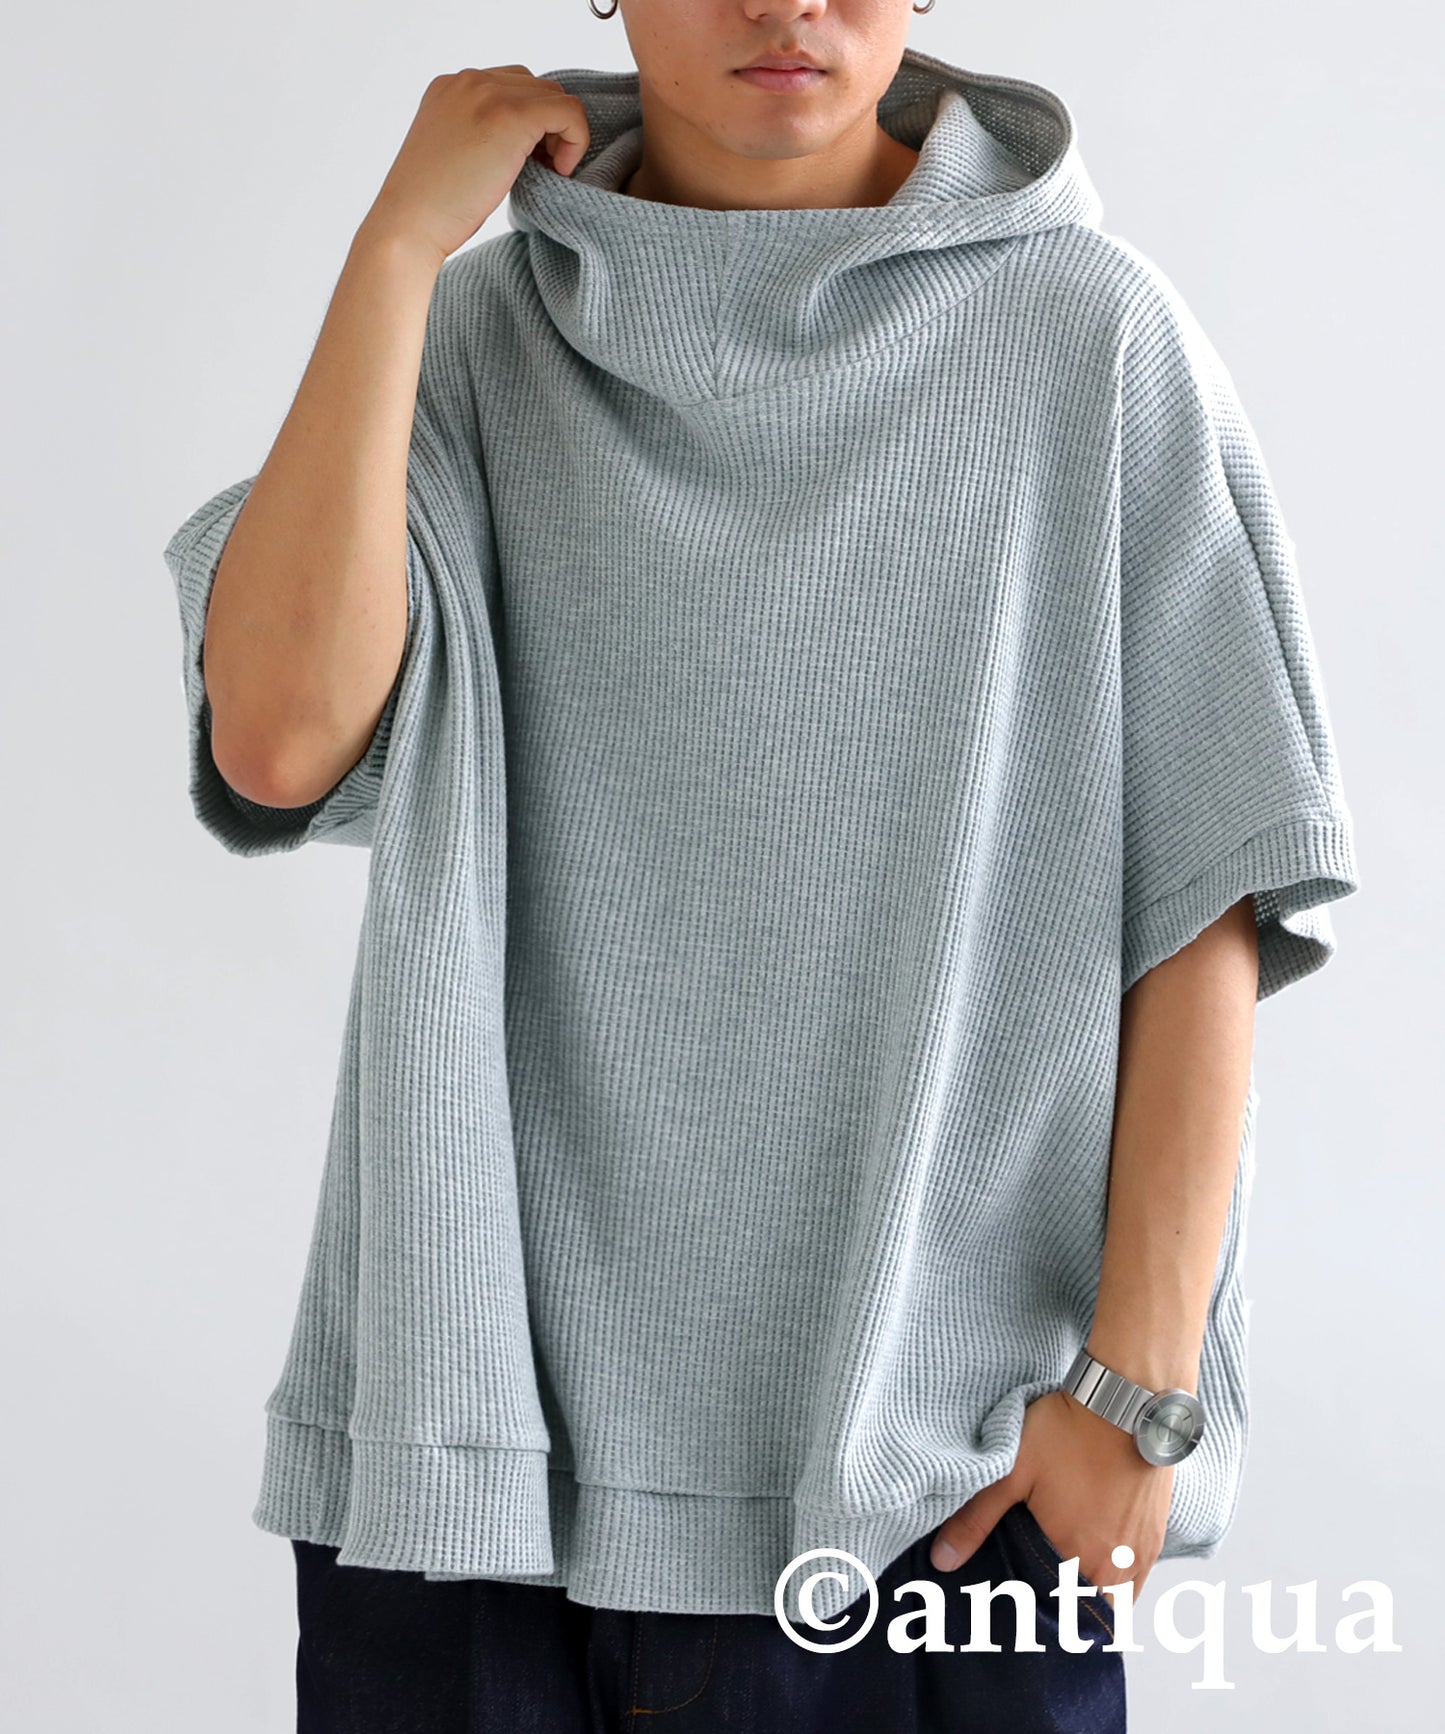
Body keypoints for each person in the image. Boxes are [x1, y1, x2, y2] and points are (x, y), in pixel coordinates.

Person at [161, 2, 1359, 1729]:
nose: (782, 1)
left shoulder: (1086, 338)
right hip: (471, 1468)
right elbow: (278, 738)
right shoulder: (474, 340)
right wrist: (398, 246)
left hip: (929, 1485)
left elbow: (1211, 891)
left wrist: (1136, 1396)